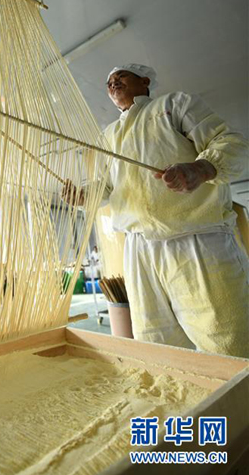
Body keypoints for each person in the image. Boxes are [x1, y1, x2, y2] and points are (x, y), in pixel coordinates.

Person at [65, 64, 248, 357]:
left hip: (196, 237)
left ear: (145, 81)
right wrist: (84, 195)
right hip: (139, 250)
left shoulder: (174, 105)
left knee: (227, 339)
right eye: (109, 82)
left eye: (121, 76)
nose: (113, 83)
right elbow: (109, 187)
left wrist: (201, 168)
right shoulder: (109, 136)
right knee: (156, 342)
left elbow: (231, 143)